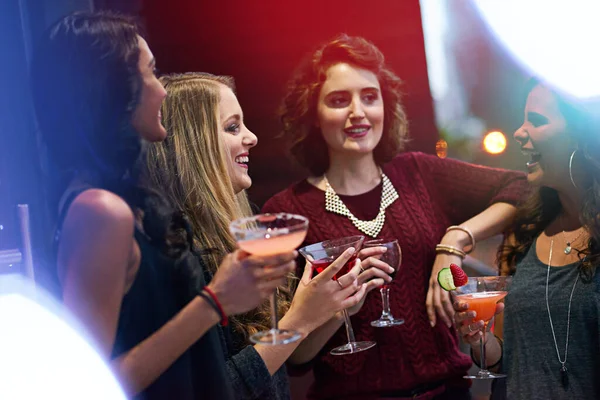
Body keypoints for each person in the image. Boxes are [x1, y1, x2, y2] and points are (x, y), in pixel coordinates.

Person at [30, 12, 295, 399]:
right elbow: (89, 382)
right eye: (151, 73)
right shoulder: (100, 209)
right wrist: (215, 301)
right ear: (117, 91)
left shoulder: (126, 201)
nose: (163, 90)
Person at [261, 34, 528, 399]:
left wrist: (453, 242)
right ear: (312, 113)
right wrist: (340, 308)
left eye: (370, 97)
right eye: (340, 100)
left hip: (448, 392)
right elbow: (296, 359)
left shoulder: (419, 173)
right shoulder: (286, 212)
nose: (358, 111)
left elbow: (520, 187)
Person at [146, 72, 389, 399]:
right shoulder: (178, 256)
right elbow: (215, 391)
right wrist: (300, 320)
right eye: (232, 127)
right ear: (193, 144)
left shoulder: (231, 236)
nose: (252, 138)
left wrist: (331, 306)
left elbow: (275, 365)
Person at [454, 78, 600, 399]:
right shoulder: (529, 230)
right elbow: (509, 356)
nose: (519, 132)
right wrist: (483, 342)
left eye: (536, 121)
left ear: (582, 134)